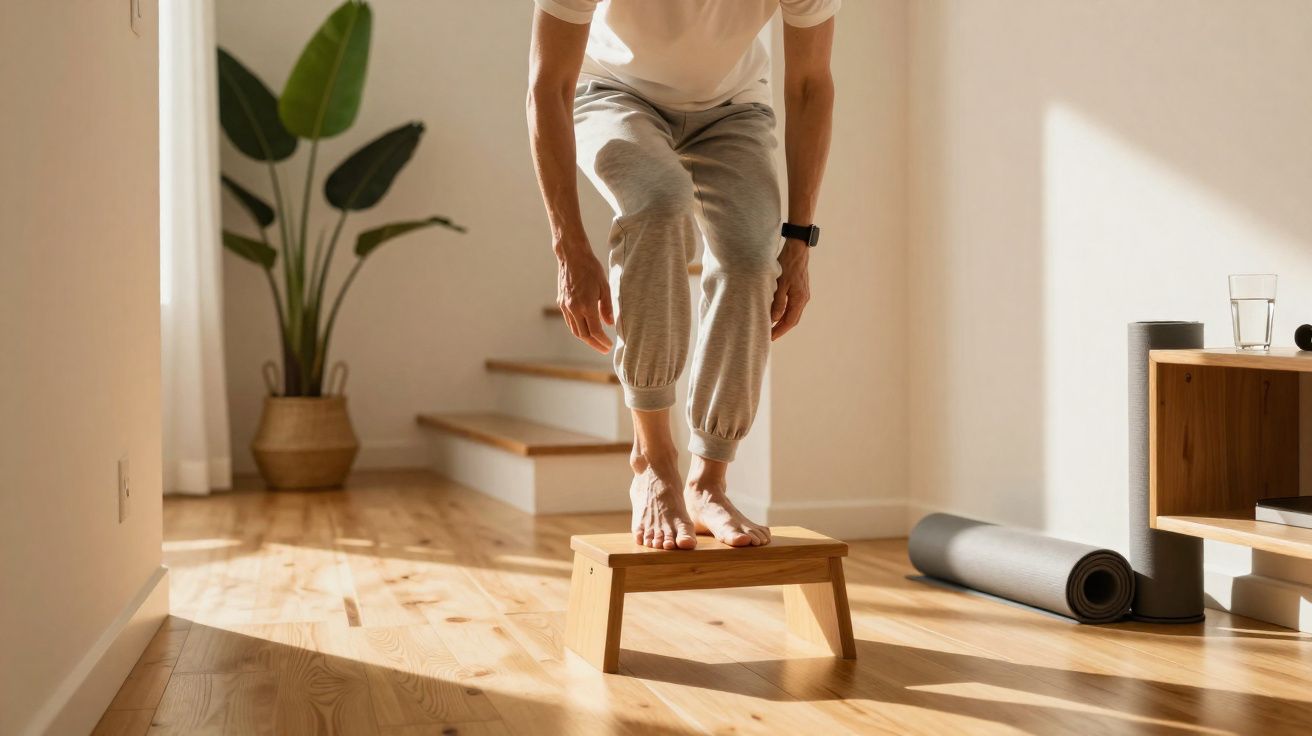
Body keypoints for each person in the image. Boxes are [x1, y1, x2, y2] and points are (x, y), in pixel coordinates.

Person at [526, 0, 836, 550]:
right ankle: (653, 458)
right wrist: (568, 246)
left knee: (747, 257)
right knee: (657, 202)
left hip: (734, 108)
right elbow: (549, 85)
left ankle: (709, 480)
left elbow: (811, 84)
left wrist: (799, 241)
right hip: (614, 93)